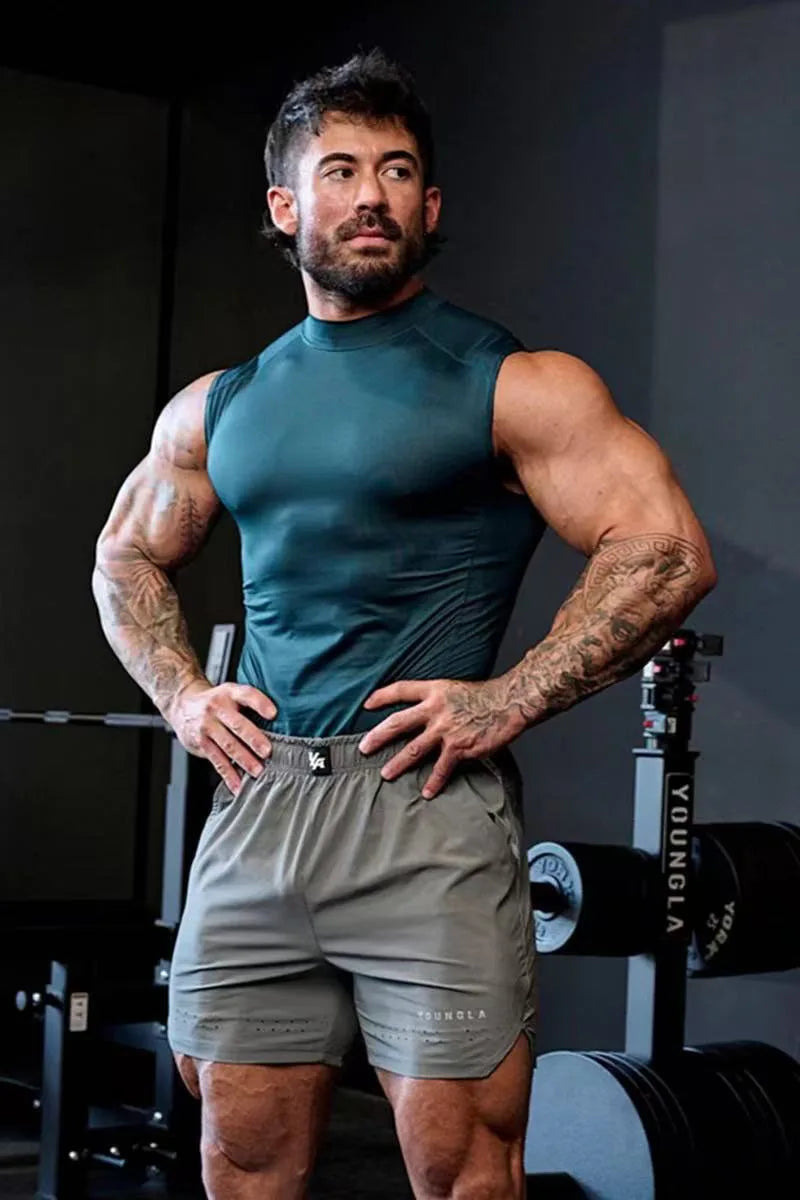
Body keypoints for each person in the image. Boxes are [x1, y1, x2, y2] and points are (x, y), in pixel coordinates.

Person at [92, 47, 716, 1200]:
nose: (369, 194)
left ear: (429, 207)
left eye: (395, 171)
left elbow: (664, 548)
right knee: (239, 1160)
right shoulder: (220, 404)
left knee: (464, 1171)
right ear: (286, 207)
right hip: (259, 804)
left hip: (422, 812)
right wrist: (183, 693)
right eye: (338, 170)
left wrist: (509, 697)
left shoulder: (511, 382)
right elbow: (124, 554)